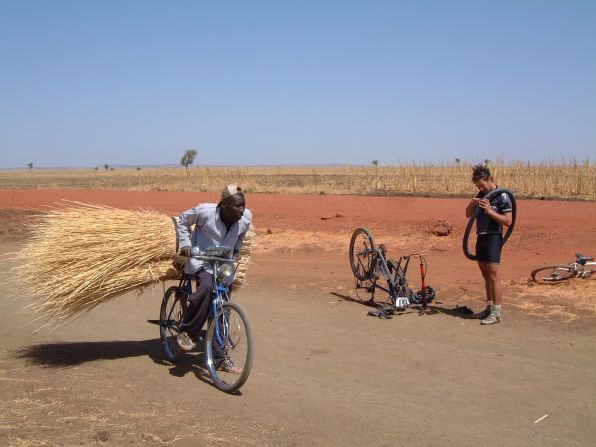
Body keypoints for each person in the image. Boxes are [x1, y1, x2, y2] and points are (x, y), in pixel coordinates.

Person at [175, 184, 252, 351]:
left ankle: (220, 355)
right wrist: (186, 244)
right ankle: (187, 331)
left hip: (224, 264)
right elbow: (182, 220)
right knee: (207, 287)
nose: (241, 210)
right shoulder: (205, 212)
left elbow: (241, 235)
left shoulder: (246, 218)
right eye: (237, 206)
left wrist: (237, 249)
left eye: (243, 205)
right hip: (202, 260)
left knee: (222, 305)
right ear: (224, 205)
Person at [465, 165, 512, 325]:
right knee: (485, 275)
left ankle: (497, 312)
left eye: (482, 185)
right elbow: (468, 215)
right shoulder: (481, 194)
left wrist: (490, 211)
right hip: (481, 237)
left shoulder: (502, 195)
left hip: (493, 237)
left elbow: (508, 221)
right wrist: (472, 204)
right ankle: (489, 308)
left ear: (489, 180)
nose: (480, 188)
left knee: (493, 275)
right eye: (478, 186)